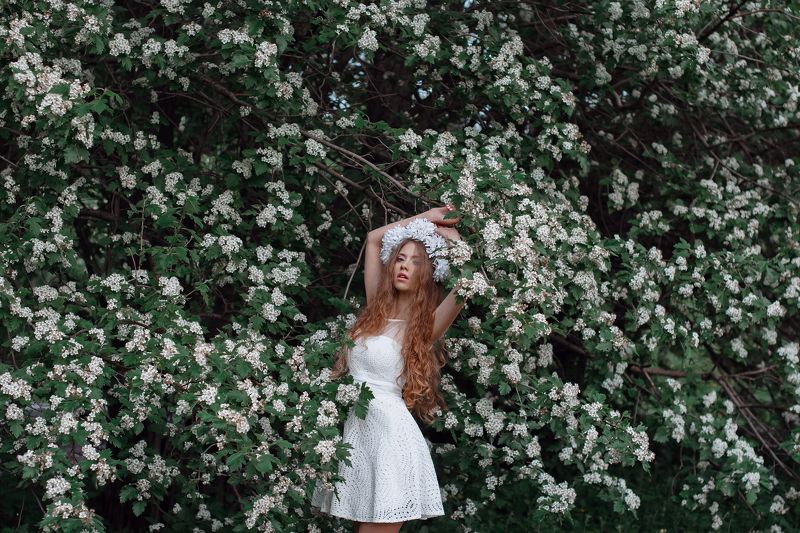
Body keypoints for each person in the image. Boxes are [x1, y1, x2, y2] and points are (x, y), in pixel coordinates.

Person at [311, 204, 466, 533]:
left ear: (428, 273)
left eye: (416, 262)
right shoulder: (374, 310)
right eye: (401, 258)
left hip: (391, 442)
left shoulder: (422, 326)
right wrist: (427, 219)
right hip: (360, 437)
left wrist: (452, 241)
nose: (405, 266)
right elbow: (373, 239)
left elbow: (469, 286)